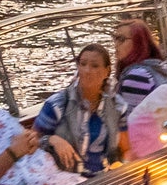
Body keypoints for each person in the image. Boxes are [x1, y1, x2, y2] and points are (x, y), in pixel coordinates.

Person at [33, 43, 127, 176]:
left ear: (107, 71)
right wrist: (52, 140)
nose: (87, 70)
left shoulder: (117, 105)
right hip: (64, 179)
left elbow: (125, 149)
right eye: (83, 64)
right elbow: (31, 141)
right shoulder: (57, 104)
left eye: (94, 66)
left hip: (104, 178)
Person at [112, 19, 167, 112]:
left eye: (121, 39)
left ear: (138, 43)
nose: (116, 44)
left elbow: (130, 121)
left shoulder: (136, 77)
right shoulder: (155, 68)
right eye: (115, 38)